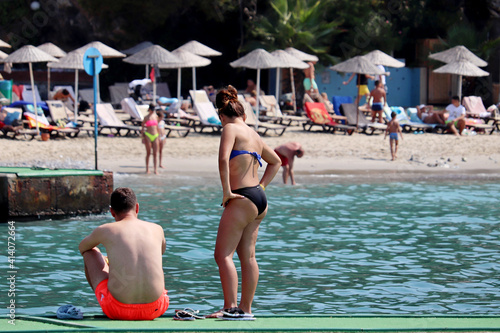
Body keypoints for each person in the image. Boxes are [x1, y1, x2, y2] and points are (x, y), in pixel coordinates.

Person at [207, 85, 281, 320]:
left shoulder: (229, 129)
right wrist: (262, 186)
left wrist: (226, 191)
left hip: (241, 197)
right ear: (244, 116)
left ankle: (230, 308)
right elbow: (276, 161)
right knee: (248, 257)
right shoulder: (254, 135)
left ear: (221, 116)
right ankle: (246, 310)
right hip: (259, 199)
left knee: (223, 255)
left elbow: (222, 159)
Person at [78, 187, 169, 320]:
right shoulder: (157, 229)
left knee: (91, 251)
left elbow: (82, 248)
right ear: (137, 208)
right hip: (156, 308)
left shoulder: (105, 229)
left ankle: (105, 300)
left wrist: (107, 260)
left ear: (112, 212)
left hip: (118, 309)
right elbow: (160, 252)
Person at [141, 104, 160, 174]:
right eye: (151, 110)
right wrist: (142, 137)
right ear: (149, 110)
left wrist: (159, 136)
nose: (152, 111)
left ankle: (155, 169)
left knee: (155, 153)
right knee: (148, 153)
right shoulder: (146, 117)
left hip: (155, 135)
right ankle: (147, 169)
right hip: (148, 135)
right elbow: (143, 128)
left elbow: (157, 127)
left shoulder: (156, 117)